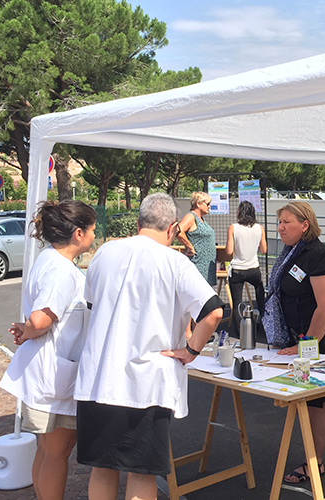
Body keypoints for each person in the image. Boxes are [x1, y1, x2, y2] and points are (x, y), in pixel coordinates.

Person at [74, 193, 224, 500]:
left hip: (98, 377)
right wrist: (191, 351)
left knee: (102, 468)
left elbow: (92, 304)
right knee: (142, 472)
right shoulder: (175, 261)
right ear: (172, 229)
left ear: (140, 222)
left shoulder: (104, 253)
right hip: (145, 383)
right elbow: (214, 312)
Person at [0, 200, 97, 500]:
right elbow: (41, 318)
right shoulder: (62, 271)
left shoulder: (48, 259)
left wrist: (26, 329)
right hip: (53, 377)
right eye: (93, 229)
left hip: (48, 371)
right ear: (78, 234)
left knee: (46, 449)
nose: (95, 234)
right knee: (57, 452)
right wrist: (28, 330)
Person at [263, 201, 325, 483]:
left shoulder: (317, 254)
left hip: (320, 340)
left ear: (305, 225)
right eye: (279, 222)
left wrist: (306, 346)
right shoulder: (291, 253)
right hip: (302, 338)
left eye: (287, 222)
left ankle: (313, 465)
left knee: (316, 402)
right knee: (316, 402)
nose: (280, 228)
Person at [225, 200, 267, 330]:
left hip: (237, 269)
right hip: (254, 268)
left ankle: (240, 333)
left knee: (237, 302)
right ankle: (265, 326)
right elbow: (264, 250)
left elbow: (229, 251)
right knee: (260, 297)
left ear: (240, 212)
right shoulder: (259, 228)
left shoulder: (233, 228)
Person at [177, 191, 217, 285]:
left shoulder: (201, 219)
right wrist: (190, 246)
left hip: (206, 266)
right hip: (198, 264)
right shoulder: (191, 217)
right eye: (207, 204)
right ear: (198, 204)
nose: (209, 207)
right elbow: (178, 231)